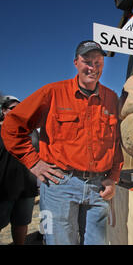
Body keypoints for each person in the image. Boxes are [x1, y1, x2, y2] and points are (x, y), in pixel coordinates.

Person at [1, 41, 123, 245]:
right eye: (87, 61)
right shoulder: (52, 93)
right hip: (60, 186)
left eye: (98, 62)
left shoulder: (111, 98)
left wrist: (114, 177)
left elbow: (116, 142)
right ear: (76, 62)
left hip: (98, 187)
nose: (92, 67)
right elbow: (12, 126)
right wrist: (33, 162)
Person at [0, 95, 39, 245]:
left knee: (21, 223)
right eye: (12, 108)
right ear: (3, 111)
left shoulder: (31, 131)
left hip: (26, 187)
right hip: (3, 187)